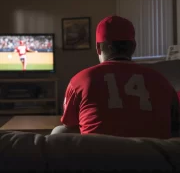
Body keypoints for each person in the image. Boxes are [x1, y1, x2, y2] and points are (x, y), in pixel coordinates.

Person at [51, 16, 180, 138]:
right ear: (133, 47)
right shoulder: (161, 81)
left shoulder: (81, 80)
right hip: (152, 159)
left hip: (95, 159)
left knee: (59, 131)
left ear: (98, 48)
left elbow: (70, 125)